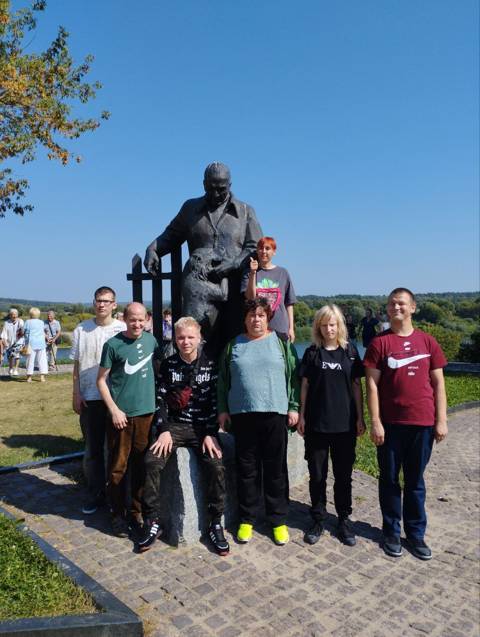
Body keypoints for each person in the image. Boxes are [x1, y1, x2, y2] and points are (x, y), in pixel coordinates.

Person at [364, 287, 448, 561]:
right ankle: (390, 531)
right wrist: (375, 421)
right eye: (391, 304)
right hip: (390, 424)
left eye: (400, 303)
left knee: (415, 481)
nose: (395, 308)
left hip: (422, 423)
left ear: (413, 307)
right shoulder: (380, 343)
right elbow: (372, 386)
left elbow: (438, 383)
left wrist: (441, 420)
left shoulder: (428, 342)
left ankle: (415, 534)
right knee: (389, 480)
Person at [144, 162, 262, 354]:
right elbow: (171, 235)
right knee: (198, 344)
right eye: (211, 188)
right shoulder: (190, 208)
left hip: (233, 291)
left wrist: (233, 263)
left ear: (230, 185)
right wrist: (153, 249)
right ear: (203, 184)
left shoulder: (246, 211)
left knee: (234, 345)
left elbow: (254, 247)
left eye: (221, 189)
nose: (216, 194)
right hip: (198, 293)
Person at [139, 317, 229, 555]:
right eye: (181, 337)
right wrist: (164, 429)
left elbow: (214, 402)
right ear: (175, 339)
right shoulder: (168, 365)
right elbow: (159, 400)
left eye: (190, 337)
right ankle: (152, 521)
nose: (185, 342)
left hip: (202, 427)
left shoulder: (211, 364)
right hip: (176, 426)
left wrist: (210, 433)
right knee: (151, 462)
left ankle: (215, 522)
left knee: (217, 465)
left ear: (199, 338)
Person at [217, 298, 300, 546]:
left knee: (276, 470)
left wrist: (294, 406)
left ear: (268, 318)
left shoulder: (282, 343)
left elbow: (294, 376)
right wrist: (223, 409)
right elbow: (223, 380)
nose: (256, 320)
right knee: (247, 470)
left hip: (275, 413)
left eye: (261, 315)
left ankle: (278, 520)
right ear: (245, 319)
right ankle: (247, 518)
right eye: (252, 315)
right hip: (243, 415)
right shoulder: (234, 345)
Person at [297, 305, 366, 547]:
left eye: (333, 324)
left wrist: (361, 417)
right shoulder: (312, 353)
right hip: (317, 425)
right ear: (319, 327)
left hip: (345, 426)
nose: (329, 329)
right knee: (317, 476)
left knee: (343, 476)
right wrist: (302, 416)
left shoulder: (350, 352)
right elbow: (304, 386)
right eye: (324, 325)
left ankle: (344, 519)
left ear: (339, 326)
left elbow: (357, 386)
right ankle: (317, 518)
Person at [97, 302, 159, 538]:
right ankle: (117, 514)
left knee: (141, 466)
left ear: (147, 319)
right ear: (124, 318)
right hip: (120, 418)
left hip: (146, 415)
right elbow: (101, 380)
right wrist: (113, 409)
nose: (137, 324)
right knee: (117, 468)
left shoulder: (151, 341)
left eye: (141, 319)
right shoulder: (113, 345)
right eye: (132, 319)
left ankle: (136, 511)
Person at [70, 286, 126, 515]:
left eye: (106, 301)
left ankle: (116, 495)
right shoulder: (81, 330)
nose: (101, 304)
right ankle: (95, 494)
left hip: (116, 399)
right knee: (93, 450)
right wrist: (76, 393)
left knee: (116, 450)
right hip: (90, 398)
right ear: (94, 303)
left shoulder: (121, 329)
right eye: (98, 300)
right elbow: (76, 366)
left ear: (114, 304)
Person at [242, 236, 297, 342]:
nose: (264, 251)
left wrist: (291, 328)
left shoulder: (283, 273)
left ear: (274, 252)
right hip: (256, 330)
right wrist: (253, 273)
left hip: (280, 328)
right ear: (257, 251)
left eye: (268, 248)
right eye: (261, 248)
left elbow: (289, 304)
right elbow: (250, 297)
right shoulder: (248, 273)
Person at [24, 307, 48, 382]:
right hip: (41, 343)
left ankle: (29, 377)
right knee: (42, 360)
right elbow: (42, 332)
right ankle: (42, 377)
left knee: (30, 360)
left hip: (31, 343)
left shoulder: (27, 322)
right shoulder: (41, 322)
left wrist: (26, 341)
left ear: (30, 314)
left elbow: (25, 332)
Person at [1, 308, 24, 376]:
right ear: (10, 315)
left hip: (18, 342)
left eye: (15, 314)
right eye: (12, 314)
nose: (14, 316)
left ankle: (16, 369)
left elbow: (23, 331)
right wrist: (4, 340)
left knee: (17, 356)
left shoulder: (20, 321)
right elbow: (4, 333)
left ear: (17, 315)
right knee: (10, 356)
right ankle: (11, 367)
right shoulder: (6, 323)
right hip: (9, 343)